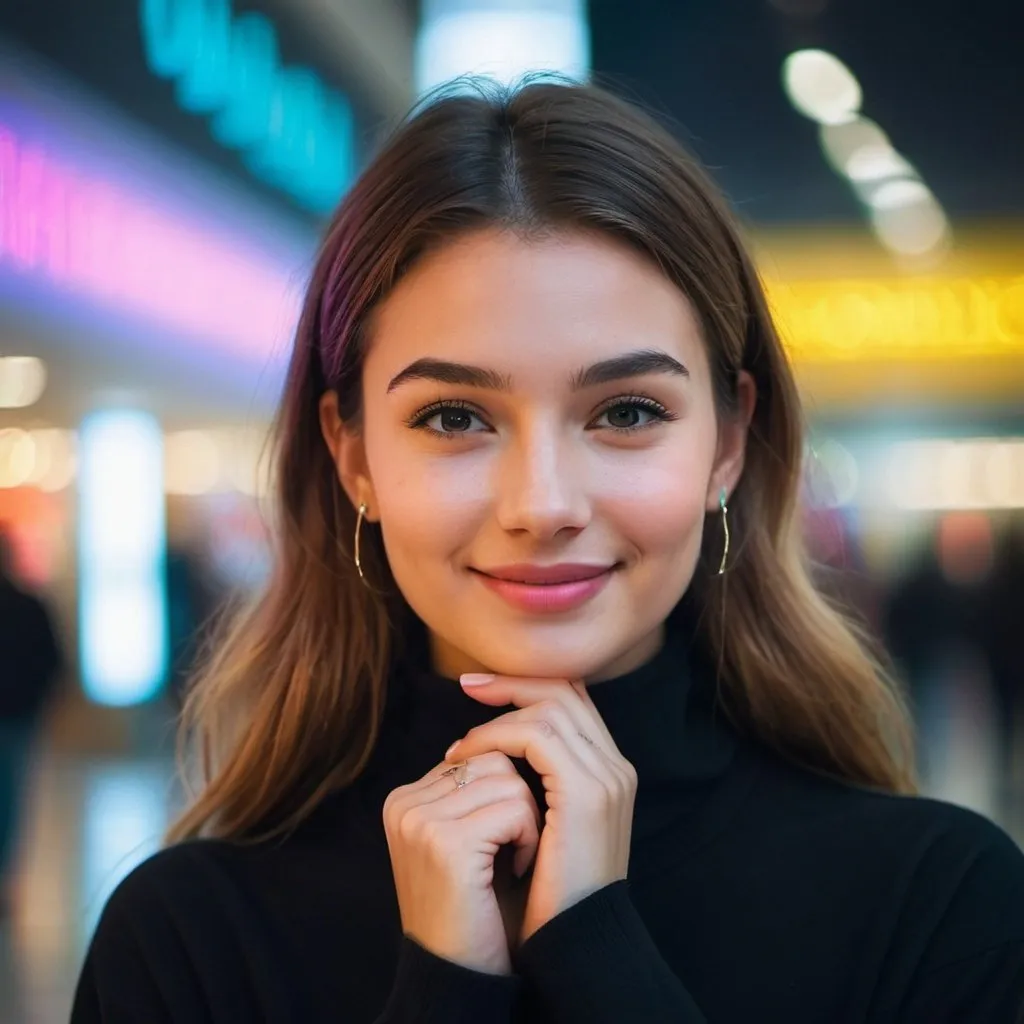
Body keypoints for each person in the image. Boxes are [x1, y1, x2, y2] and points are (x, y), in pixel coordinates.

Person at [71, 82, 1024, 1023]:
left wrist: (600, 955)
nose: (543, 505)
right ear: (352, 452)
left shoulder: (938, 902)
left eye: (626, 412)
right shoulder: (186, 937)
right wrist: (443, 990)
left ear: (728, 442)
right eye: (453, 417)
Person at [0, 529, 62, 914]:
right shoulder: (29, 604)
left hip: (18, 716)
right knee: (10, 800)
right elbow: (53, 660)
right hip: (19, 718)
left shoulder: (29, 605)